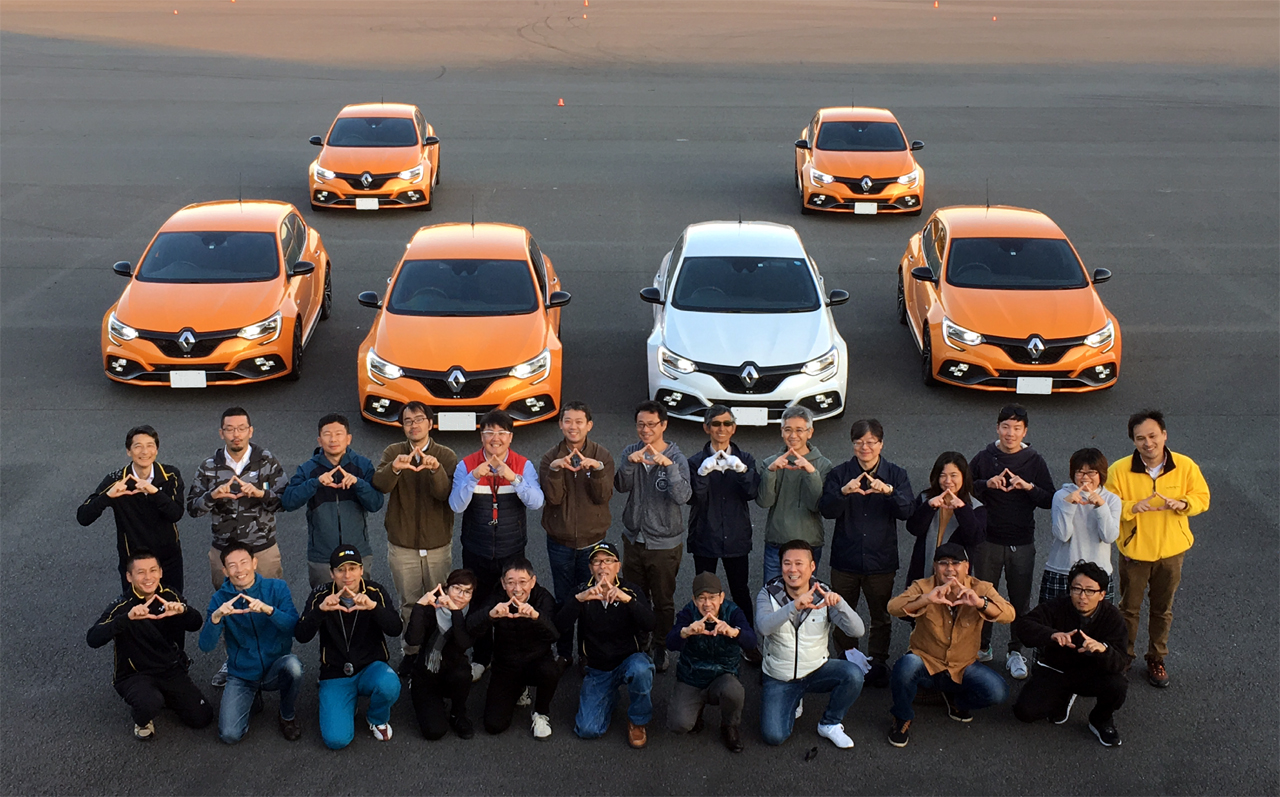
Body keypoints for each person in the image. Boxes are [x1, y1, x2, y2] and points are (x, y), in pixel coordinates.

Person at [1104, 409, 1210, 689]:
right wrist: (1131, 507)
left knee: (1162, 609)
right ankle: (1124, 656)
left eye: (1152, 436)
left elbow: (1202, 498)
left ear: (1164, 435)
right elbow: (1107, 505)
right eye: (1140, 438)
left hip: (1172, 552)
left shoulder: (1185, 466)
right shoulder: (1119, 470)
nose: (1148, 443)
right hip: (1135, 553)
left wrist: (1184, 504)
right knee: (1128, 609)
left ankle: (1156, 658)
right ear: (1133, 441)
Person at [885, 543, 1014, 748]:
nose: (949, 569)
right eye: (943, 563)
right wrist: (926, 599)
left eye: (956, 563)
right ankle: (902, 716)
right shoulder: (924, 586)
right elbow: (892, 607)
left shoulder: (981, 588)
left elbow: (1009, 614)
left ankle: (955, 700)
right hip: (927, 661)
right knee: (904, 668)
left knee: (998, 692)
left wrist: (980, 603)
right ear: (935, 567)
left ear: (967, 566)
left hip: (963, 665)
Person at [449, 410, 545, 677]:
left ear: (510, 437)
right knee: (479, 604)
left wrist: (513, 477)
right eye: (489, 432)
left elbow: (536, 502)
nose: (496, 438)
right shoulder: (466, 465)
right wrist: (473, 478)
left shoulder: (523, 465)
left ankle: (510, 659)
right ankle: (481, 658)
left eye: (502, 433)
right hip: (476, 549)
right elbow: (456, 506)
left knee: (512, 602)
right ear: (481, 436)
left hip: (511, 549)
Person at [819, 419, 913, 688]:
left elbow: (908, 511)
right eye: (859, 442)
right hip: (845, 559)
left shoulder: (896, 474)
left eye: (871, 442)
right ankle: (847, 659)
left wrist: (889, 491)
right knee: (841, 612)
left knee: (880, 615)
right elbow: (826, 510)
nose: (865, 447)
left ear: (881, 444)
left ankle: (878, 661)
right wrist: (843, 492)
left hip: (880, 560)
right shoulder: (840, 474)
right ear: (852, 444)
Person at [86, 550, 213, 740]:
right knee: (149, 703)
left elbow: (196, 624)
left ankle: (166, 696)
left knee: (202, 717)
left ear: (160, 572)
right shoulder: (122, 606)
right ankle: (142, 718)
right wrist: (126, 619)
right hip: (134, 674)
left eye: (153, 570)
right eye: (140, 572)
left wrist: (183, 611)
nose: (148, 577)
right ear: (129, 577)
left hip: (169, 669)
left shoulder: (169, 595)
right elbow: (93, 638)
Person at [371, 401, 459, 673]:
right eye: (408, 421)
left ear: (430, 423)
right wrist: (395, 468)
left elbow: (445, 495)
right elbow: (380, 485)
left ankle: (438, 650)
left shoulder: (446, 455)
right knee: (409, 603)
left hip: (437, 544)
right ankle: (411, 652)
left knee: (440, 602)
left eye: (419, 419)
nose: (413, 425)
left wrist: (436, 470)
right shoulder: (393, 452)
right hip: (402, 544)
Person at [968, 404, 1054, 679]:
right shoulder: (984, 457)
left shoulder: (1034, 461)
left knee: (1020, 600)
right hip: (987, 541)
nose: (1010, 433)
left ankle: (1016, 652)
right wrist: (986, 484)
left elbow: (1050, 499)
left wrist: (1028, 487)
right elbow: (964, 487)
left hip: (1022, 541)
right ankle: (982, 647)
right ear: (997, 428)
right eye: (1005, 427)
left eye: (1017, 428)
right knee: (983, 597)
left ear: (1025, 431)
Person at [756, 540, 865, 750]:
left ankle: (830, 723)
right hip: (780, 676)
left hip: (816, 668)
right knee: (774, 736)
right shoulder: (768, 593)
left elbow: (857, 631)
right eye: (787, 563)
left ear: (812, 566)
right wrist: (794, 606)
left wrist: (840, 604)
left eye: (799, 563)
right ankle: (794, 698)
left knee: (853, 674)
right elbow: (763, 627)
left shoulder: (823, 593)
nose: (793, 569)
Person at [294, 546, 403, 748]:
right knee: (336, 740)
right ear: (331, 573)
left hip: (371, 667)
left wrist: (373, 608)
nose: (347, 576)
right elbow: (301, 635)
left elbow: (396, 629)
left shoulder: (375, 591)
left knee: (390, 685)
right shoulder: (320, 595)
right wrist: (320, 611)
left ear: (361, 570)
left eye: (352, 569)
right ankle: (345, 702)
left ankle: (376, 718)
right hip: (335, 672)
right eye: (340, 570)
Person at [1014, 561, 1131, 747]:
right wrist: (1051, 635)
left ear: (1102, 594)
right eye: (1077, 589)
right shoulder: (1058, 606)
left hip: (1091, 674)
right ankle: (1063, 696)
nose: (1082, 596)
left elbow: (1121, 661)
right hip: (1057, 669)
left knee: (1118, 685)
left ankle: (1100, 719)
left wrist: (1103, 650)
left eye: (1090, 591)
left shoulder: (1112, 617)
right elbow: (1024, 626)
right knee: (1024, 712)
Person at [614, 400, 692, 673]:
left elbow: (683, 496)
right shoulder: (630, 451)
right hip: (634, 539)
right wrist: (629, 464)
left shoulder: (677, 457)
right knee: (635, 596)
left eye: (651, 424)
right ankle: (641, 640)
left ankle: (661, 645)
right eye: (641, 425)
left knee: (663, 600)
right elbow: (620, 486)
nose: (645, 430)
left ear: (663, 425)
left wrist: (668, 466)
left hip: (664, 544)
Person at [198, 542, 303, 743]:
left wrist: (269, 610)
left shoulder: (277, 588)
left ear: (254, 563)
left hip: (275, 666)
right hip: (242, 674)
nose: (239, 570)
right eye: (232, 565)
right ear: (225, 571)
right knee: (229, 735)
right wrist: (216, 618)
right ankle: (253, 698)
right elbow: (205, 646)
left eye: (244, 562)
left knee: (294, 667)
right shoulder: (220, 598)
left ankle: (287, 715)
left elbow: (294, 628)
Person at [556, 541, 656, 748]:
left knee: (642, 670)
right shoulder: (581, 591)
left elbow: (650, 624)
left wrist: (628, 601)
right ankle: (610, 696)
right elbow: (559, 627)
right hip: (598, 667)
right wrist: (578, 600)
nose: (603, 566)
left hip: (629, 660)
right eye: (597, 562)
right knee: (587, 729)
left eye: (609, 561)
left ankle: (638, 720)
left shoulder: (631, 590)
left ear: (618, 566)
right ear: (590, 568)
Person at [538, 401, 615, 665]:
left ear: (589, 425)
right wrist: (556, 470)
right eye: (568, 421)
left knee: (591, 599)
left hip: (593, 544)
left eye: (579, 421)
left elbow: (603, 496)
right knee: (564, 599)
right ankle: (563, 653)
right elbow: (553, 499)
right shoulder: (549, 458)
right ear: (560, 424)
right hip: (559, 542)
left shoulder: (602, 455)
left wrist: (597, 470)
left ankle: (586, 653)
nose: (573, 426)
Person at [186, 407, 288, 588]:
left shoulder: (267, 461)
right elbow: (193, 509)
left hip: (262, 549)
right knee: (227, 602)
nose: (236, 434)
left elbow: (285, 502)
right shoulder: (209, 466)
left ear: (250, 431)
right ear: (221, 433)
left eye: (241, 428)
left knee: (269, 599)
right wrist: (212, 496)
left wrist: (260, 494)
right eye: (230, 429)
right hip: (224, 551)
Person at [78, 425, 187, 594]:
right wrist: (107, 496)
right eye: (138, 446)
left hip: (168, 560)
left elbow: (176, 513)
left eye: (150, 445)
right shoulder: (116, 480)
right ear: (128, 451)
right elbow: (83, 517)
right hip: (134, 563)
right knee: (137, 608)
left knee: (173, 605)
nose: (145, 452)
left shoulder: (170, 475)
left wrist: (154, 492)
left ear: (156, 450)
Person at [282, 413, 385, 589]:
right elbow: (288, 502)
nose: (333, 439)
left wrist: (358, 483)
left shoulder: (363, 465)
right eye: (327, 434)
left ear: (348, 438)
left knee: (360, 601)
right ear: (319, 440)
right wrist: (315, 483)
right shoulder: (308, 469)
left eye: (338, 434)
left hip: (358, 552)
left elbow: (376, 503)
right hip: (322, 556)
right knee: (323, 601)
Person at [465, 558, 561, 739]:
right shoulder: (497, 597)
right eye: (510, 582)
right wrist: (490, 615)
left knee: (551, 671)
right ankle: (519, 689)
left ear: (533, 581)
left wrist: (536, 617)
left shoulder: (543, 597)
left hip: (537, 661)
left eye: (523, 582)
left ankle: (541, 714)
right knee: (494, 725)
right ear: (503, 583)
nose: (517, 589)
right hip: (506, 665)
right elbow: (470, 627)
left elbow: (555, 635)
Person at [687, 405, 760, 632]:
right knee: (704, 593)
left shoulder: (745, 458)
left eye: (727, 423)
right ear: (706, 427)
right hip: (704, 536)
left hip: (736, 537)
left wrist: (742, 471)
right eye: (716, 424)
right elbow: (693, 498)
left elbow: (752, 493)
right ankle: (703, 636)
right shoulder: (695, 461)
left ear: (734, 428)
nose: (722, 428)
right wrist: (702, 473)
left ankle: (747, 638)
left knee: (740, 590)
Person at [666, 571, 757, 752]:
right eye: (702, 598)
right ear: (694, 600)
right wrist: (685, 632)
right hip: (691, 677)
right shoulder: (688, 613)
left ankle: (729, 725)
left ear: (721, 597)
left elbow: (752, 642)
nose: (707, 604)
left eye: (712, 597)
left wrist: (734, 632)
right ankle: (697, 710)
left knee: (734, 691)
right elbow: (670, 643)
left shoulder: (733, 612)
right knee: (679, 724)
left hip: (723, 676)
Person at [756, 406, 834, 585]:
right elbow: (764, 501)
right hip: (777, 541)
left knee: (805, 594)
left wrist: (811, 472)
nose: (793, 435)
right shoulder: (769, 462)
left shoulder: (823, 465)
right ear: (781, 431)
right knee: (773, 594)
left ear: (810, 432)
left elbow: (816, 504)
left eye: (799, 430)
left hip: (809, 542)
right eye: (788, 429)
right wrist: (771, 472)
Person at [405, 569, 478, 740]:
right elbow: (412, 640)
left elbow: (463, 643)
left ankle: (458, 713)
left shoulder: (471, 613)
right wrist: (419, 606)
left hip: (453, 670)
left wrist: (455, 612)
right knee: (434, 731)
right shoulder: (430, 608)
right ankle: (432, 702)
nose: (461, 596)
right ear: (446, 589)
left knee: (463, 674)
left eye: (467, 592)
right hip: (426, 673)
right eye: (457, 588)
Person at [1044, 449, 1121, 604]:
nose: (1085, 477)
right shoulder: (1061, 496)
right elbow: (1062, 535)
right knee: (1056, 618)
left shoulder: (1111, 499)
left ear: (1101, 474)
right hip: (1062, 570)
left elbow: (1109, 536)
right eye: (1080, 472)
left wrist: (1101, 506)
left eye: (1091, 472)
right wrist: (1068, 505)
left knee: (1099, 619)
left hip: (1098, 574)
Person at [905, 452, 986, 583]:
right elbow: (913, 528)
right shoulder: (926, 498)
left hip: (955, 577)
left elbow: (975, 538)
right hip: (923, 571)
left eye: (953, 475)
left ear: (963, 477)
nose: (948, 481)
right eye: (943, 476)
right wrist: (929, 507)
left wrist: (962, 509)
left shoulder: (975, 507)